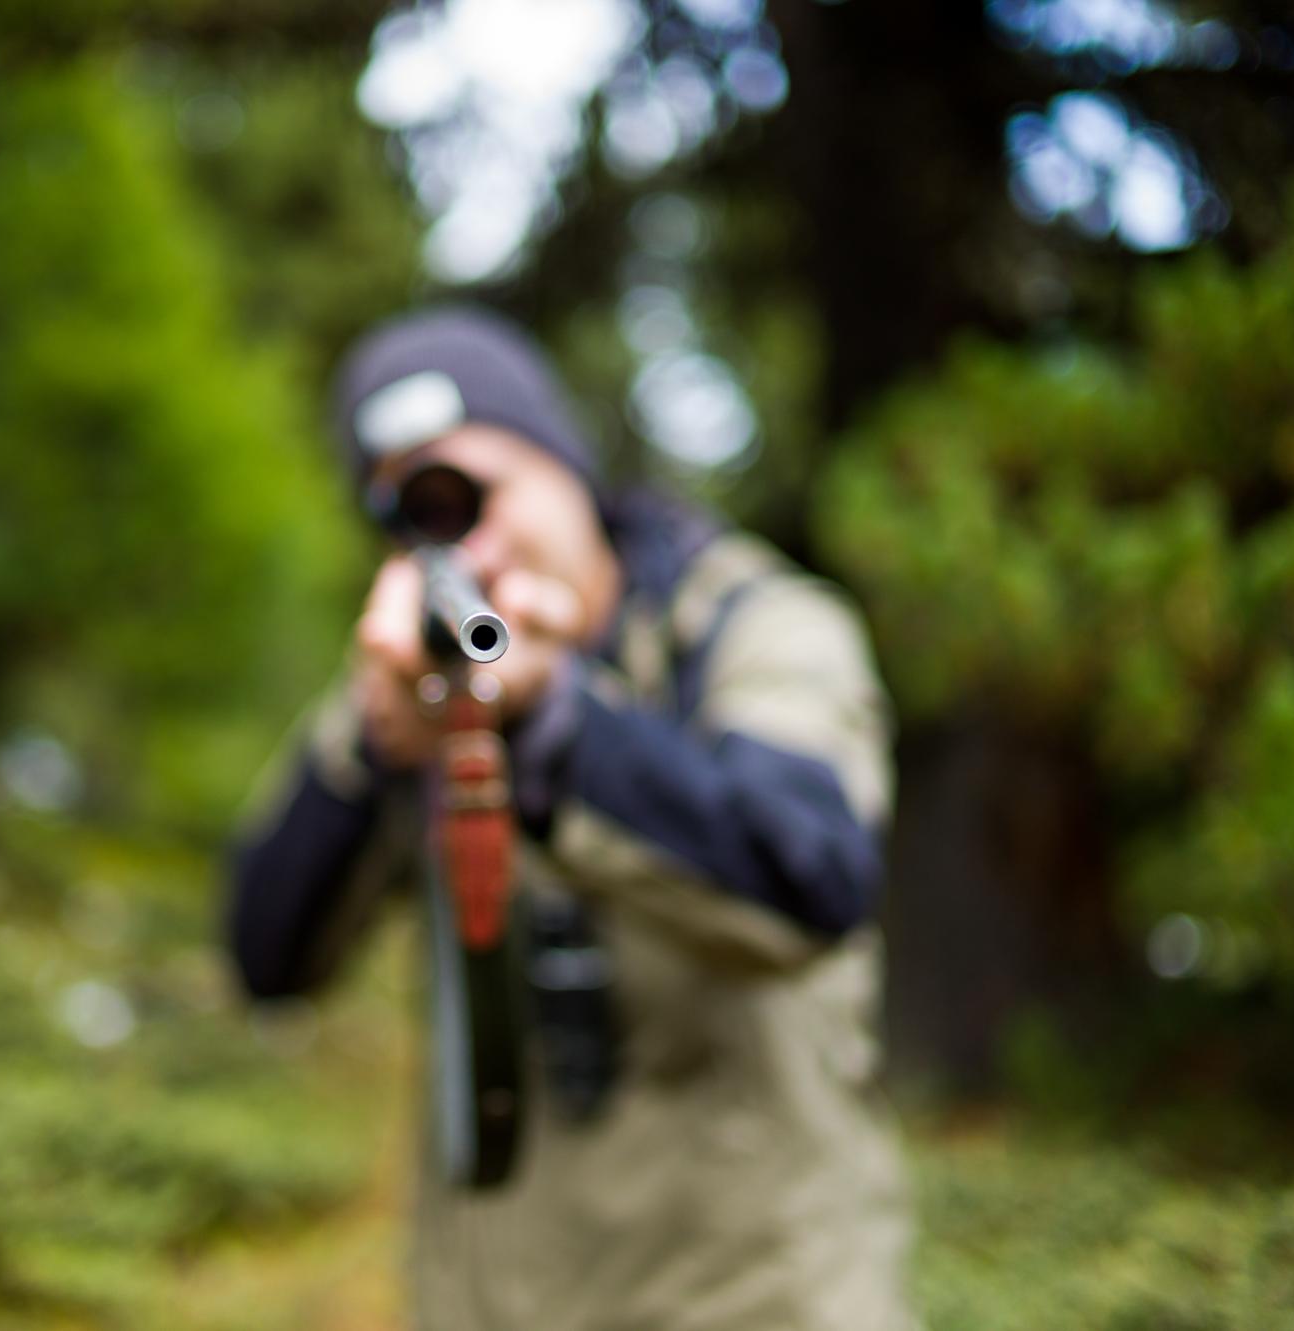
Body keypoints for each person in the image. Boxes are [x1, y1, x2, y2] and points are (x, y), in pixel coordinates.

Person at [226, 306, 915, 1331]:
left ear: (563, 465)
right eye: (416, 515)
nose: (469, 545)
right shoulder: (410, 692)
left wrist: (553, 724)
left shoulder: (753, 625)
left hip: (761, 1294)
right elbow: (265, 952)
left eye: (473, 492)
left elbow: (807, 877)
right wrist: (376, 751)